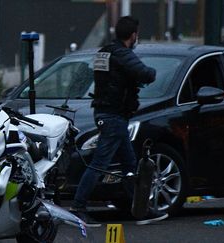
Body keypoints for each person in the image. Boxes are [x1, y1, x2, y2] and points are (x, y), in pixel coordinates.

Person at [70, 16, 168, 226]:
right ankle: (78, 208)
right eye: (136, 35)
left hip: (110, 114)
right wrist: (148, 73)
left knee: (129, 164)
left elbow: (108, 78)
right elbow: (146, 73)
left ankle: (139, 209)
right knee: (99, 164)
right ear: (133, 35)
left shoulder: (103, 52)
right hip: (113, 116)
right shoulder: (122, 54)